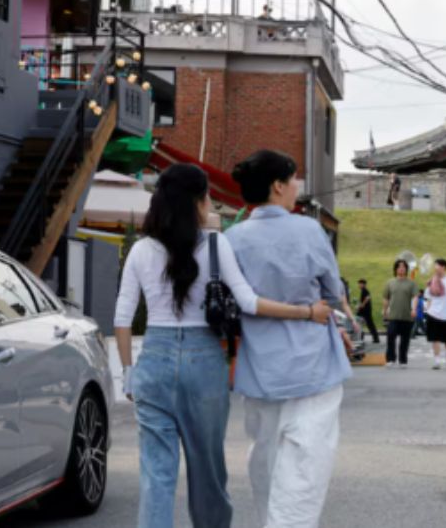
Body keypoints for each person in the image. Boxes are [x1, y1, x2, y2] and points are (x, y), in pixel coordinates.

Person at [114, 163, 333, 528]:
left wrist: (127, 373)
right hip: (203, 363)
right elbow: (249, 302)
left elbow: (122, 316)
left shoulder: (141, 250)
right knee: (208, 473)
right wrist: (307, 312)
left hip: (153, 361)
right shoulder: (216, 246)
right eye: (208, 196)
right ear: (198, 202)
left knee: (157, 475)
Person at [227, 150, 356, 528]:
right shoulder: (308, 230)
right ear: (278, 186)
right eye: (294, 178)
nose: (298, 185)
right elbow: (332, 292)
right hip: (311, 364)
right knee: (303, 471)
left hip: (259, 368)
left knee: (265, 462)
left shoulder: (232, 238)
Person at [423, 258, 446, 369]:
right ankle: (437, 362)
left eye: (437, 266)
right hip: (433, 313)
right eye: (434, 266)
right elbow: (428, 297)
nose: (435, 268)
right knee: (435, 338)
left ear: (444, 267)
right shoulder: (432, 281)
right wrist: (427, 310)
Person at [383, 259, 419, 367]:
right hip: (393, 315)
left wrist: (414, 309)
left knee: (405, 340)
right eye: (399, 267)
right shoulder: (390, 282)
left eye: (403, 267)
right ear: (395, 269)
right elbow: (386, 298)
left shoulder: (412, 283)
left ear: (406, 269)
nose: (401, 268)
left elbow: (415, 297)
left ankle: (403, 360)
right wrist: (385, 310)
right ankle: (390, 359)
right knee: (390, 337)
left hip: (407, 316)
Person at [357, 279, 381, 344]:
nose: (358, 285)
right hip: (363, 310)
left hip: (366, 311)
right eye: (358, 284)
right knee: (359, 323)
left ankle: (376, 338)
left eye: (360, 284)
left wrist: (362, 305)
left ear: (363, 284)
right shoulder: (363, 291)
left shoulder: (365, 291)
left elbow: (367, 298)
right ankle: (360, 337)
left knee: (369, 324)